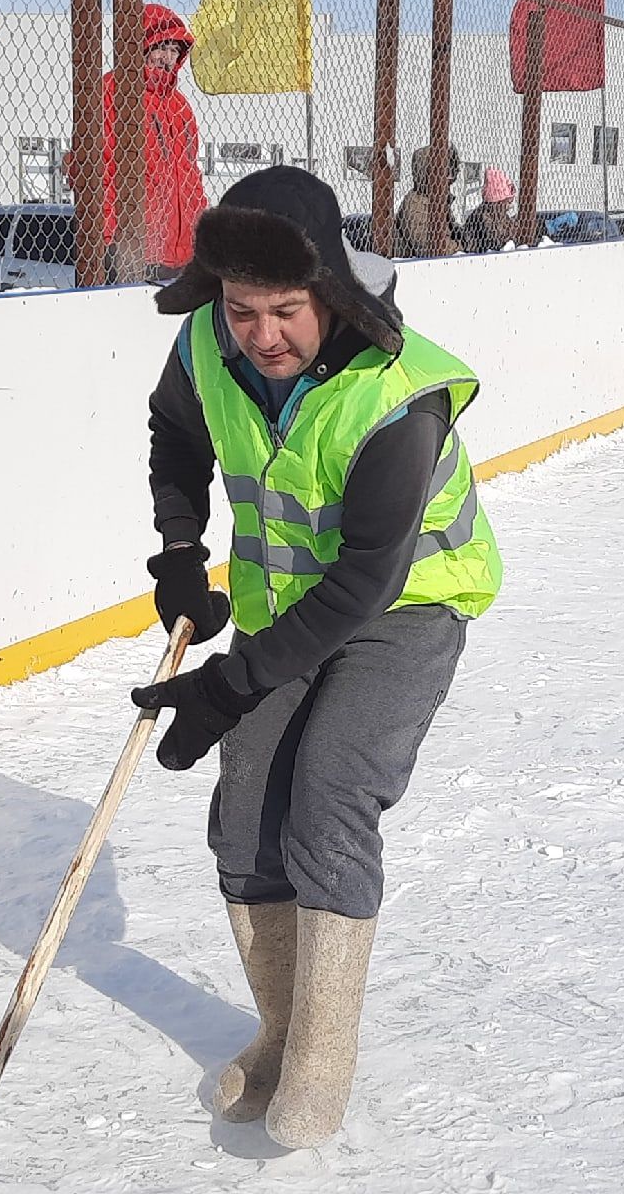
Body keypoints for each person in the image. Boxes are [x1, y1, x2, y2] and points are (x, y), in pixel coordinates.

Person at [130, 167, 501, 1148]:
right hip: (287, 603)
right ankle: (282, 1034)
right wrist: (177, 554)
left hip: (409, 602)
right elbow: (176, 434)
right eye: (242, 309)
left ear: (328, 292)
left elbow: (366, 582)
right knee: (245, 811)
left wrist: (230, 682)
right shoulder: (206, 339)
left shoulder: (397, 395)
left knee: (329, 791)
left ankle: (321, 1067)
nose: (262, 334)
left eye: (285, 310)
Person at [66, 4, 207, 283]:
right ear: (141, 45)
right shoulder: (111, 91)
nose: (167, 57)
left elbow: (191, 175)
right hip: (130, 245)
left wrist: (200, 229)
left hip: (182, 250)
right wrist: (108, 234)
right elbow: (93, 166)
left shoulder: (180, 107)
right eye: (160, 46)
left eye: (174, 49)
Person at [395, 143, 464, 259]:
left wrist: (465, 237)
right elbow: (428, 247)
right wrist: (461, 247)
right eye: (446, 173)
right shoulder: (415, 203)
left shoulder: (437, 200)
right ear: (427, 173)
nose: (451, 179)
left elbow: (450, 231)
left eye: (453, 172)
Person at [461, 166, 517, 254]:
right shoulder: (482, 216)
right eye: (508, 200)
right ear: (499, 201)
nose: (510, 204)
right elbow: (495, 241)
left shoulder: (501, 215)